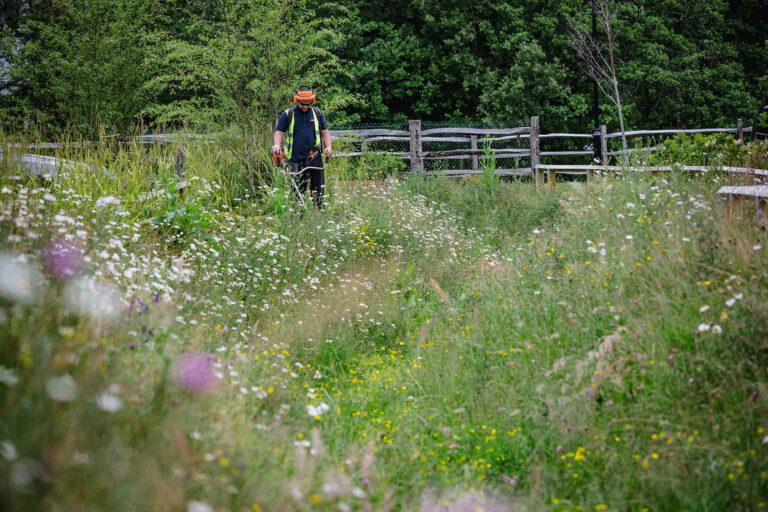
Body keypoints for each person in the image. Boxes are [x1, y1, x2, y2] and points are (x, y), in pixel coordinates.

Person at [272, 86, 333, 208]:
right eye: (302, 104)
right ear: (296, 101)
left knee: (318, 192)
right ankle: (297, 219)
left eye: (308, 104)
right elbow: (279, 131)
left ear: (312, 101)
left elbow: (325, 133)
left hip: (314, 157)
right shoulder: (288, 114)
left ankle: (319, 216)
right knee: (297, 194)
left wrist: (329, 147)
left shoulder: (317, 113)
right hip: (296, 159)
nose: (305, 106)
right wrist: (277, 145)